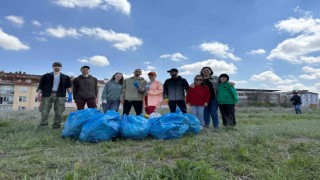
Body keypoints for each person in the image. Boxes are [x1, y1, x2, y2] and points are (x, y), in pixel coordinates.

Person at [37, 62, 72, 129]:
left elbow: (69, 87)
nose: (57, 67)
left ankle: (56, 126)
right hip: (47, 95)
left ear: (61, 67)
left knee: (59, 111)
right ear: (53, 67)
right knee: (44, 111)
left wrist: (70, 95)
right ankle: (43, 126)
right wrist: (38, 95)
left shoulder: (65, 77)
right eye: (55, 66)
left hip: (60, 95)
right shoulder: (46, 76)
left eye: (59, 66)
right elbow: (41, 86)